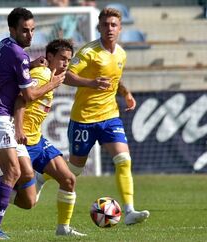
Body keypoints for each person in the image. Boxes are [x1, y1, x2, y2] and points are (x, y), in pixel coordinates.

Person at [0, 39, 88, 237]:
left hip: (37, 139)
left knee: (64, 182)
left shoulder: (50, 75)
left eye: (68, 60)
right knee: (15, 176)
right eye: (61, 58)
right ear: (49, 57)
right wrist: (17, 129)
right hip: (23, 139)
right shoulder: (43, 74)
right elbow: (21, 98)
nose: (65, 63)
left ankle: (63, 229)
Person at [37, 7, 150, 226]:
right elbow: (65, 75)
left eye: (113, 25)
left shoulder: (121, 54)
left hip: (110, 117)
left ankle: (129, 211)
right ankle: (43, 176)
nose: (109, 28)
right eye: (105, 24)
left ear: (120, 28)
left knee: (124, 160)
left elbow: (114, 80)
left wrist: (125, 93)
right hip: (84, 119)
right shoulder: (89, 52)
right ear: (98, 27)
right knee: (74, 170)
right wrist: (91, 83)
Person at [0, 7, 65, 240]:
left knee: (25, 180)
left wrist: (30, 66)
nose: (30, 35)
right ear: (12, 29)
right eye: (25, 31)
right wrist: (53, 83)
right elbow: (28, 96)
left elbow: (6, 75)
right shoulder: (18, 55)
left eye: (32, 30)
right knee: (13, 172)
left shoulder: (4, 46)